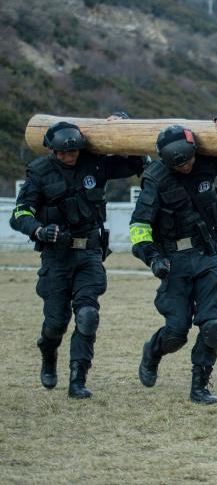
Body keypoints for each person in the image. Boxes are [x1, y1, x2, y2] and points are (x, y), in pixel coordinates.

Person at [10, 115, 145, 398]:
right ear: (51, 150)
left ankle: (78, 379)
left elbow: (135, 161)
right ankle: (48, 352)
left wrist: (122, 124)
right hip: (56, 257)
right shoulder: (39, 172)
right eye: (63, 152)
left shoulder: (94, 163)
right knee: (56, 323)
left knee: (87, 315)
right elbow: (20, 213)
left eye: (73, 151)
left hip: (90, 254)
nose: (69, 156)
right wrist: (38, 230)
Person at [130, 112, 217, 405]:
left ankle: (200, 386)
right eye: (179, 165)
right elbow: (139, 226)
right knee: (176, 333)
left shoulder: (205, 161)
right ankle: (153, 352)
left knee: (212, 325)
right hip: (173, 261)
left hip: (207, 256)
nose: (187, 167)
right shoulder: (155, 179)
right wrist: (153, 258)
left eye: (190, 160)